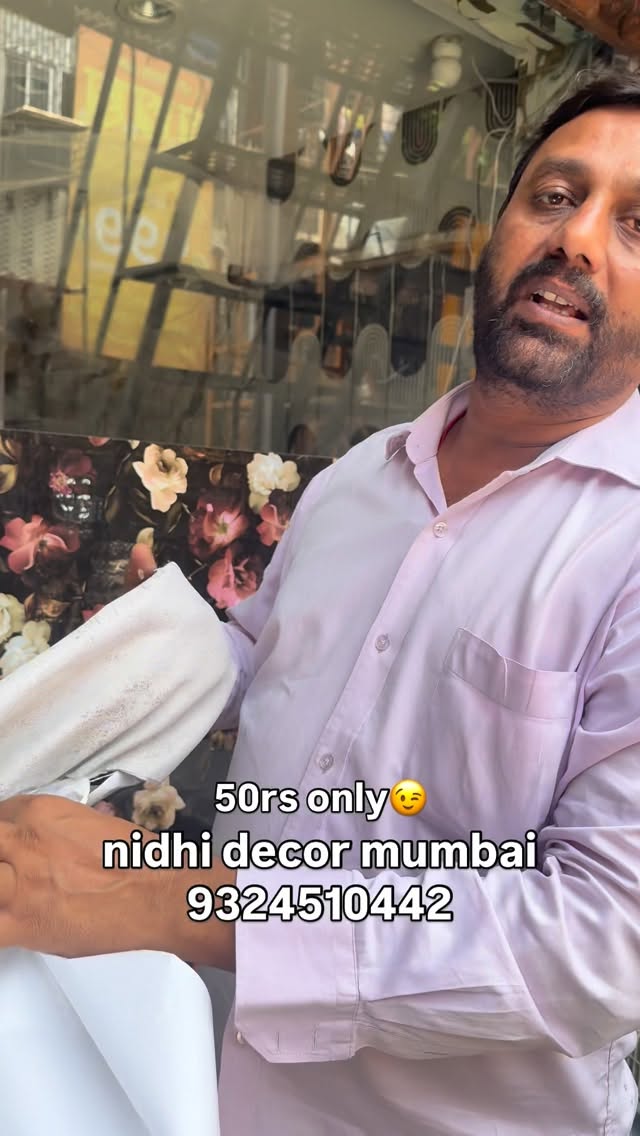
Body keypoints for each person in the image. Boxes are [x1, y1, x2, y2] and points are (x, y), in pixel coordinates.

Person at [4, 67, 640, 1134]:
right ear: (496, 232)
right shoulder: (359, 480)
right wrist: (60, 716)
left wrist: (164, 898)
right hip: (212, 1092)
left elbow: (599, 942)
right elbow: (259, 663)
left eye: (635, 223)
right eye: (554, 195)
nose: (576, 238)